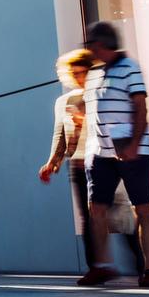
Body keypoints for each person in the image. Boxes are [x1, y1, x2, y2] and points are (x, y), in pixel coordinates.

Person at [78, 21, 149, 289]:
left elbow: (140, 107)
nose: (87, 49)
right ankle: (101, 266)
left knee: (143, 207)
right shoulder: (94, 74)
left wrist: (135, 144)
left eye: (90, 44)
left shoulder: (130, 68)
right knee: (96, 208)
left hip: (133, 150)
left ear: (101, 44)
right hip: (101, 153)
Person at [42, 49, 109, 271]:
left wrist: (85, 119)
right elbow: (59, 133)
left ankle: (139, 265)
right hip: (78, 163)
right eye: (75, 73)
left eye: (84, 72)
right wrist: (53, 161)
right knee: (86, 217)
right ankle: (95, 267)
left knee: (118, 216)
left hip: (103, 158)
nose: (80, 77)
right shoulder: (64, 101)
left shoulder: (101, 94)